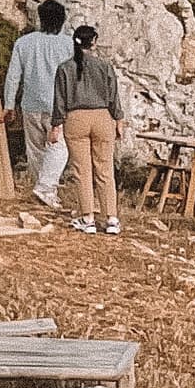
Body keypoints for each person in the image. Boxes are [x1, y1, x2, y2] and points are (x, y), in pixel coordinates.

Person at [0, 0, 74, 207]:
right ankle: (46, 187)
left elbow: (13, 76)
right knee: (60, 147)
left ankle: (43, 190)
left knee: (35, 150)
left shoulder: (24, 42)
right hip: (57, 105)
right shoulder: (68, 44)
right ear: (62, 20)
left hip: (30, 104)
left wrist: (9, 104)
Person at [56, 23, 129, 236]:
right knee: (104, 169)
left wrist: (55, 124)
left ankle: (88, 218)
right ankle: (112, 218)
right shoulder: (104, 66)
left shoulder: (65, 68)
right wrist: (119, 119)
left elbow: (59, 100)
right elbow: (113, 96)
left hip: (76, 118)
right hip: (102, 117)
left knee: (82, 171)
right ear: (94, 43)